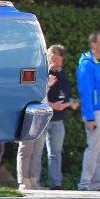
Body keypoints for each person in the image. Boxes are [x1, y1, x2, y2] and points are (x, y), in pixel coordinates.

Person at [77, 30, 100, 191]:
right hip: (95, 113)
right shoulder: (86, 65)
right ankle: (85, 183)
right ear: (93, 44)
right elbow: (85, 92)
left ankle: (98, 183)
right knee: (93, 148)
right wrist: (89, 116)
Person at [37, 44, 78, 189]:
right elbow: (38, 96)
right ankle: (34, 181)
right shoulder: (42, 73)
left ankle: (56, 183)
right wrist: (53, 105)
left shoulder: (63, 75)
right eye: (54, 59)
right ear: (48, 58)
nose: (57, 63)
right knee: (37, 151)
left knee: (55, 153)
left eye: (59, 60)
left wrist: (71, 102)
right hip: (44, 117)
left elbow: (67, 94)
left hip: (59, 118)